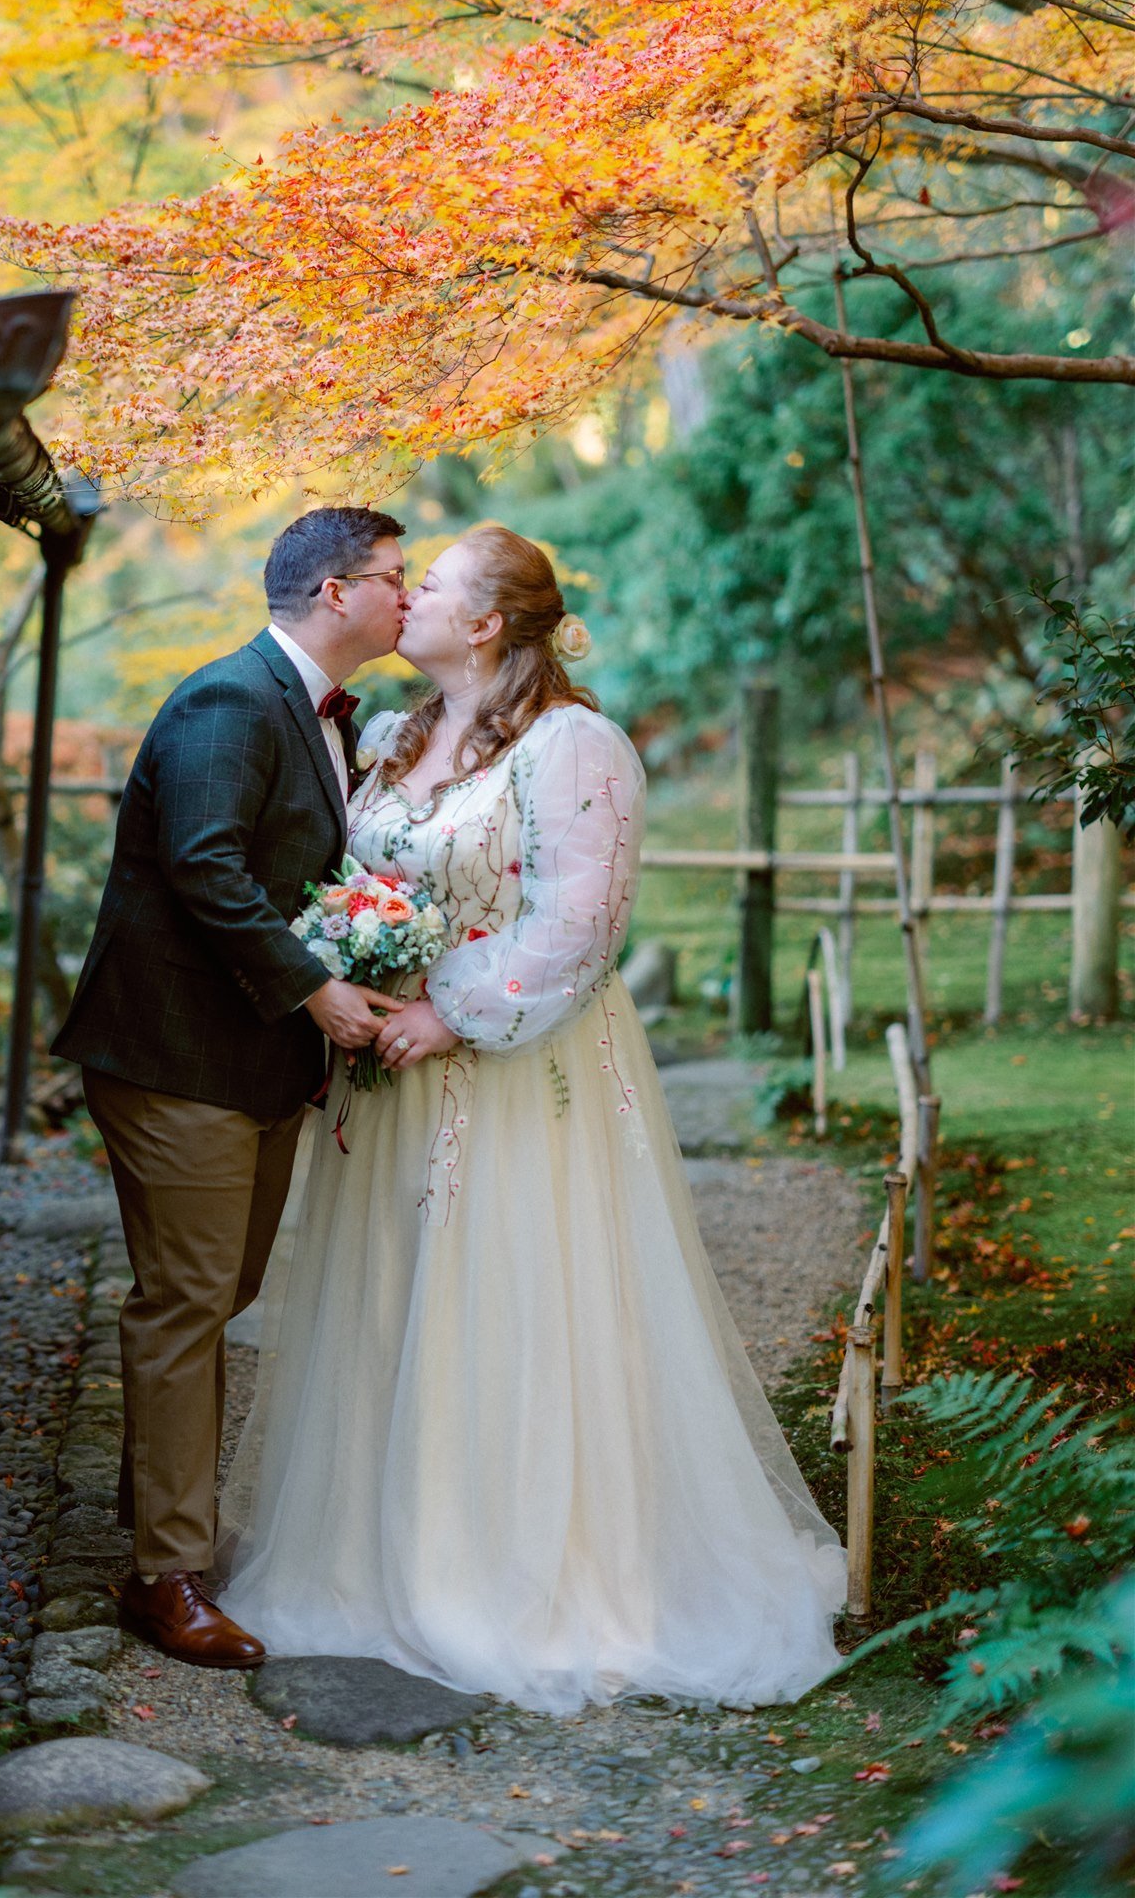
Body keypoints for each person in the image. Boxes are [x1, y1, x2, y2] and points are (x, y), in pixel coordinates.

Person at [219, 522, 845, 1713]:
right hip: (389, 1079)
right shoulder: (399, 735)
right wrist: (355, 972)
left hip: (516, 1076)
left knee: (511, 1298)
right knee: (391, 1302)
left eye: (432, 585)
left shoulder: (577, 746)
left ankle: (526, 1572)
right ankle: (376, 1560)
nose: (405, 600)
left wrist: (446, 1012)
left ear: (489, 621)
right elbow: (351, 887)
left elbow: (582, 925)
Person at [54, 504, 411, 1668]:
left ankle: (160, 1505)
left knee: (223, 1286)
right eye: (395, 579)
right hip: (175, 1054)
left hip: (253, 1059)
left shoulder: (309, 710)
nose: (409, 598)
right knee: (188, 1300)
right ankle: (166, 1571)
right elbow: (201, 862)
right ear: (334, 593)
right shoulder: (228, 699)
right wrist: (318, 991)